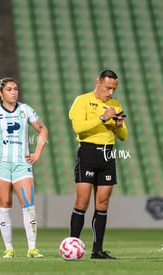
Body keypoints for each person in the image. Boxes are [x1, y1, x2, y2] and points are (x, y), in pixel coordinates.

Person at [0, 77, 48, 258]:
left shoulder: (26, 110)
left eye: (16, 89)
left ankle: (32, 249)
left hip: (22, 164)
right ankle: (9, 249)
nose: (14, 92)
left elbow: (43, 130)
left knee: (28, 205)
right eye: (10, 89)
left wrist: (36, 153)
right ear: (1, 93)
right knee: (4, 205)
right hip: (1, 165)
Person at [68, 69, 128, 259]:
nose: (110, 92)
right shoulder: (82, 100)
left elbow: (124, 136)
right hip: (87, 152)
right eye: (108, 88)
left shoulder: (115, 105)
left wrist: (118, 125)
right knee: (82, 202)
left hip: (107, 155)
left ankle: (97, 250)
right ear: (98, 82)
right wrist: (102, 118)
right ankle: (72, 246)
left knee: (102, 203)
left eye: (114, 89)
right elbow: (78, 127)